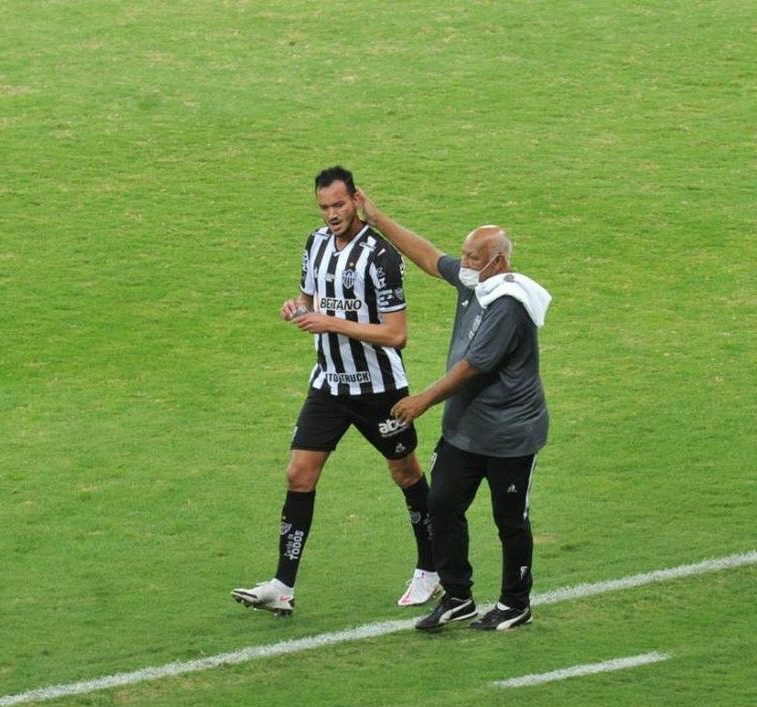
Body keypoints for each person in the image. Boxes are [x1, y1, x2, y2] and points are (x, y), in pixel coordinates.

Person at [231, 167, 441, 616]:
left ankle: (431, 568)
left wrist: (329, 322)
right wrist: (298, 308)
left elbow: (396, 334)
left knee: (405, 474)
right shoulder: (315, 244)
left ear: (356, 200)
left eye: (339, 205)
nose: (331, 214)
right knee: (298, 475)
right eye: (324, 207)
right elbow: (310, 300)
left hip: (379, 389)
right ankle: (282, 586)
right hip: (328, 384)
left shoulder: (382, 256)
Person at [355, 189, 551, 632]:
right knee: (441, 505)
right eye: (463, 255)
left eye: (472, 257)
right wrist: (377, 217)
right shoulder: (476, 280)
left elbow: (473, 367)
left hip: (509, 434)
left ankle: (515, 603)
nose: (462, 264)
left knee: (509, 519)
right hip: (466, 429)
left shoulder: (508, 305)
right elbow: (428, 256)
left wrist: (421, 401)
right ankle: (458, 596)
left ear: (497, 261)